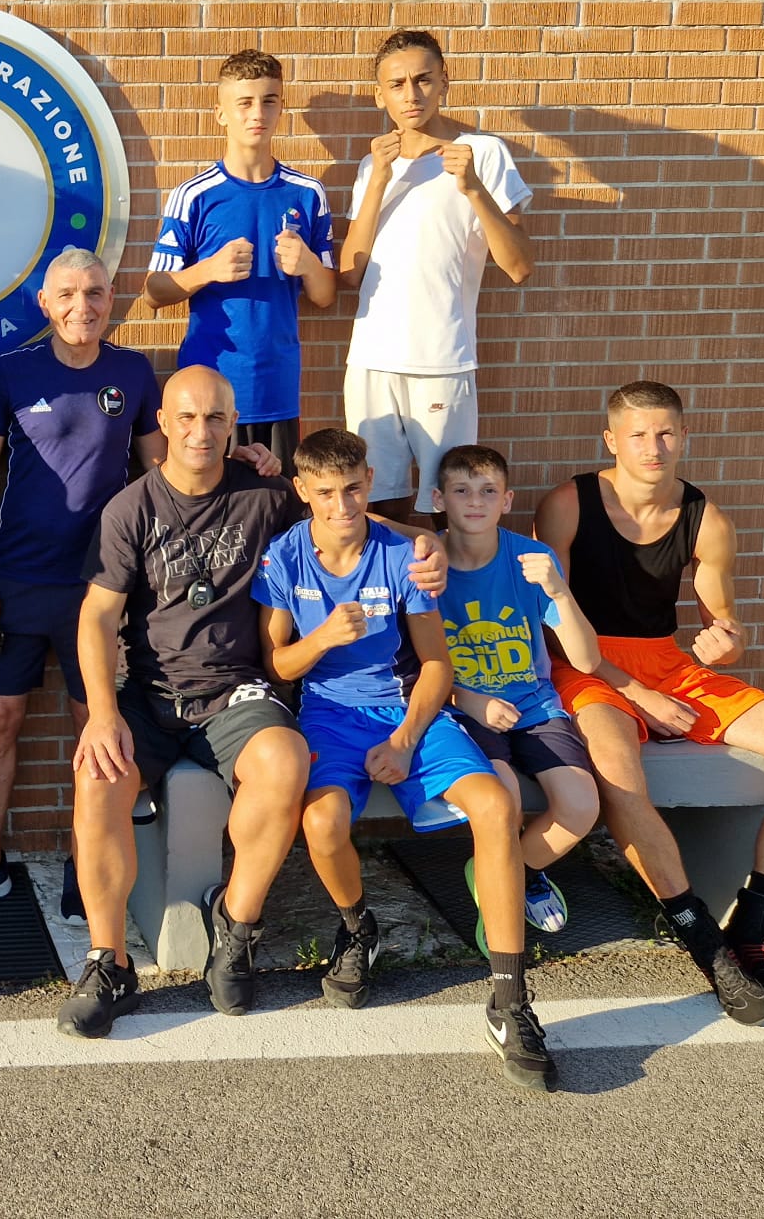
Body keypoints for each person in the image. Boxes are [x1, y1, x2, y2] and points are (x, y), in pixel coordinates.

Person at [58, 368, 376, 1040]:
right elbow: (94, 620)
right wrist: (103, 713)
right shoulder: (131, 509)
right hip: (148, 693)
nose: (200, 432)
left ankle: (235, 927)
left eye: (215, 419)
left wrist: (421, 538)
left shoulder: (266, 497)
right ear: (166, 425)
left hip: (237, 690)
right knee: (96, 776)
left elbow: (341, 515)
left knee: (286, 761)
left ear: (234, 426)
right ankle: (108, 962)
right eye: (188, 418)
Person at [534, 381, 764, 1022]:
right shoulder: (568, 504)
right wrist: (638, 694)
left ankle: (755, 931)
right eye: (637, 435)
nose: (652, 447)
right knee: (621, 784)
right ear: (611, 440)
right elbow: (553, 626)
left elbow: (725, 626)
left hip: (667, 662)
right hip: (585, 665)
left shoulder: (706, 520)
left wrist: (725, 643)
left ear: (684, 436)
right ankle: (703, 941)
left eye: (665, 434)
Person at [259, 429, 556, 1091]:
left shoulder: (405, 554)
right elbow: (276, 661)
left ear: (370, 480)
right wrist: (324, 639)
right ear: (303, 491)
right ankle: (359, 929)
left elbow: (435, 665)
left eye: (356, 490)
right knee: (323, 824)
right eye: (328, 494)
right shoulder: (284, 556)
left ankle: (510, 1000)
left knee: (495, 804)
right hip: (328, 717)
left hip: (407, 712)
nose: (343, 507)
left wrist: (401, 740)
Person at [0, 249, 162, 929]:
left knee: (92, 729)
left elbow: (162, 475)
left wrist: (238, 455)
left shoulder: (132, 372)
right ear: (45, 301)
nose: (82, 306)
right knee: (1, 722)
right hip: (17, 583)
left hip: (99, 593)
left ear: (111, 296)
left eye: (94, 292)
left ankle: (84, 859)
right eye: (67, 294)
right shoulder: (10, 372)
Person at [335, 30, 534, 523]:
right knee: (377, 501)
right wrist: (380, 178)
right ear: (380, 94)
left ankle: (443, 601)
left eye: (423, 79)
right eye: (397, 84)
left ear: (445, 81)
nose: (411, 94)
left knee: (450, 505)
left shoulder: (482, 154)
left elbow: (518, 265)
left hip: (443, 360)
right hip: (372, 361)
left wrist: (470, 188)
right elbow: (349, 274)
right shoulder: (369, 166)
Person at [431, 444, 602, 942]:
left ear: (507, 500)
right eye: (462, 491)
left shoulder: (533, 559)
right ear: (440, 499)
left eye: (488, 491)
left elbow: (588, 660)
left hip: (534, 705)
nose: (475, 502)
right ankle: (500, 917)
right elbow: (414, 664)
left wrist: (559, 592)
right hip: (463, 710)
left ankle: (508, 876)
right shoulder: (426, 564)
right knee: (501, 804)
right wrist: (469, 700)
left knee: (580, 806)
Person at [145, 49, 337, 466]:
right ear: (221, 113)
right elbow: (154, 292)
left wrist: (306, 263)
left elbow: (324, 295)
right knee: (215, 510)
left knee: (275, 505)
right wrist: (209, 269)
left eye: (269, 100)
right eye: (245, 102)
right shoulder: (193, 195)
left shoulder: (307, 194)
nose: (258, 113)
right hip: (208, 393)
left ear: (281, 106)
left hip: (277, 386)